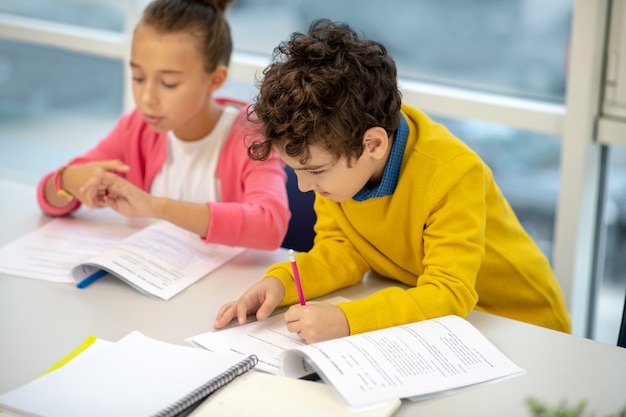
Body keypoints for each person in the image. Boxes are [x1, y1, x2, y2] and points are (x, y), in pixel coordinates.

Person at [214, 19, 572, 342]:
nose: (304, 187)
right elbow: (343, 251)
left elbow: (449, 293)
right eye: (296, 171)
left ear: (373, 143)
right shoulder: (339, 161)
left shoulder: (453, 173)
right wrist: (281, 282)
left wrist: (348, 318)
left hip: (521, 326)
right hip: (440, 318)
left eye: (315, 171)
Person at [36, 0, 290, 250]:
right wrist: (66, 180)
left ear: (214, 80)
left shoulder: (250, 136)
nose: (147, 98)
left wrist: (156, 207)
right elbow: (47, 196)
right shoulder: (136, 129)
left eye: (168, 83)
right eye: (138, 77)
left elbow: (270, 226)